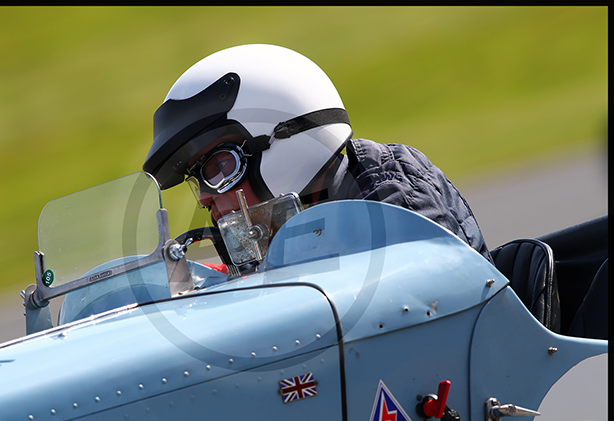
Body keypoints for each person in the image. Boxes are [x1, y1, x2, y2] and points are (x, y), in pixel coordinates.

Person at [143, 44, 492, 271]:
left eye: (219, 168)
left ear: (285, 141)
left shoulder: (394, 210)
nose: (205, 197)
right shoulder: (299, 229)